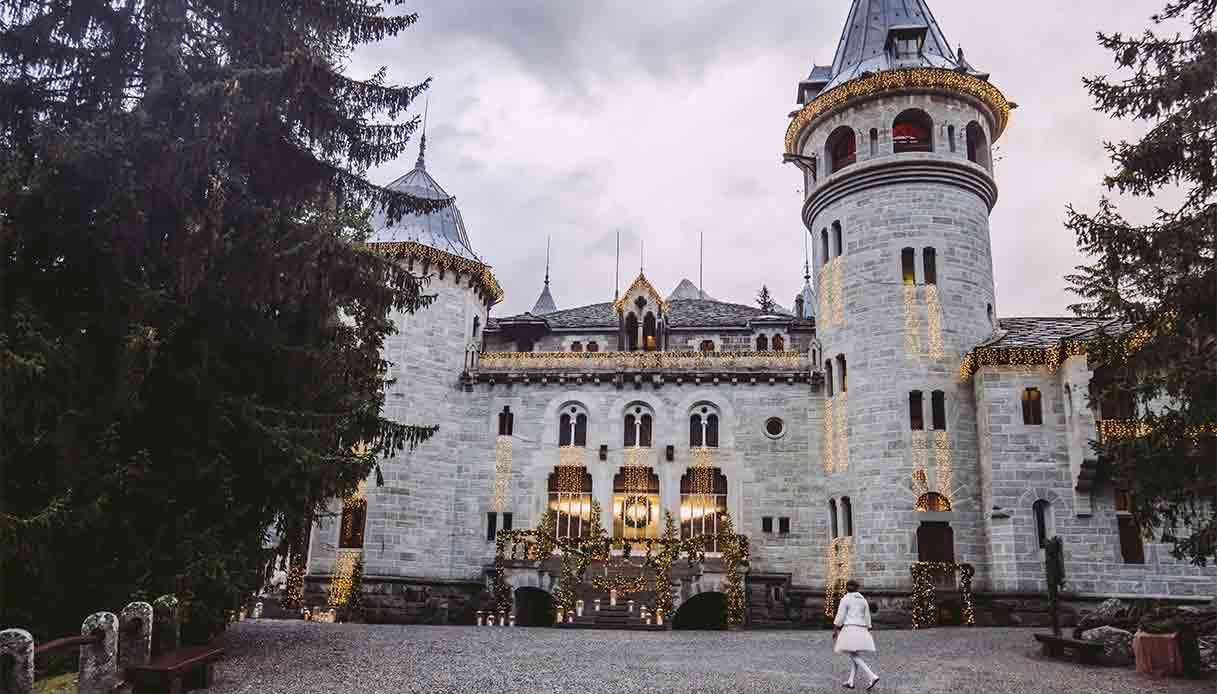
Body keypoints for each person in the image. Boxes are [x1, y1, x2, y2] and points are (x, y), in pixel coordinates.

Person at [833, 579, 879, 690]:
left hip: (850, 629)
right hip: (861, 629)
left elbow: (840, 616)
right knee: (855, 655)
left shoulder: (846, 599)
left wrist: (835, 628)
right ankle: (851, 682)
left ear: (846, 588)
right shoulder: (863, 600)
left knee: (853, 655)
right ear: (857, 588)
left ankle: (872, 675)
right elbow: (867, 617)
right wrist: (868, 628)